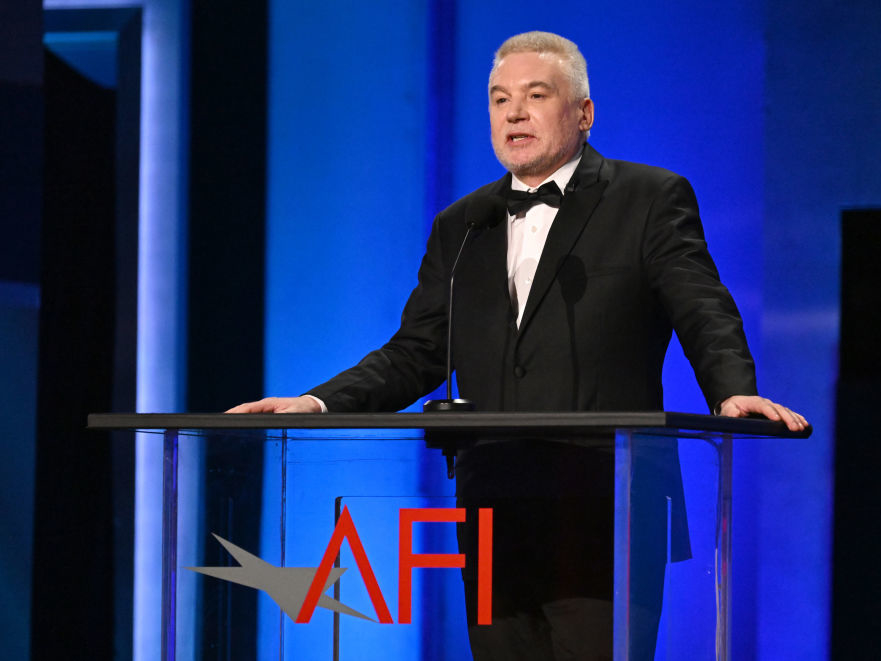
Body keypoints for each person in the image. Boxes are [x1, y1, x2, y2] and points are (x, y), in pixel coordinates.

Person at [230, 31, 806, 660]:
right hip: (493, 505)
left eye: (536, 95)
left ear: (583, 112)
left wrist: (733, 390)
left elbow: (701, 305)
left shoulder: (648, 198)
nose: (514, 112)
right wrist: (318, 403)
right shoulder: (463, 224)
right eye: (500, 99)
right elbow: (419, 350)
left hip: (606, 508)